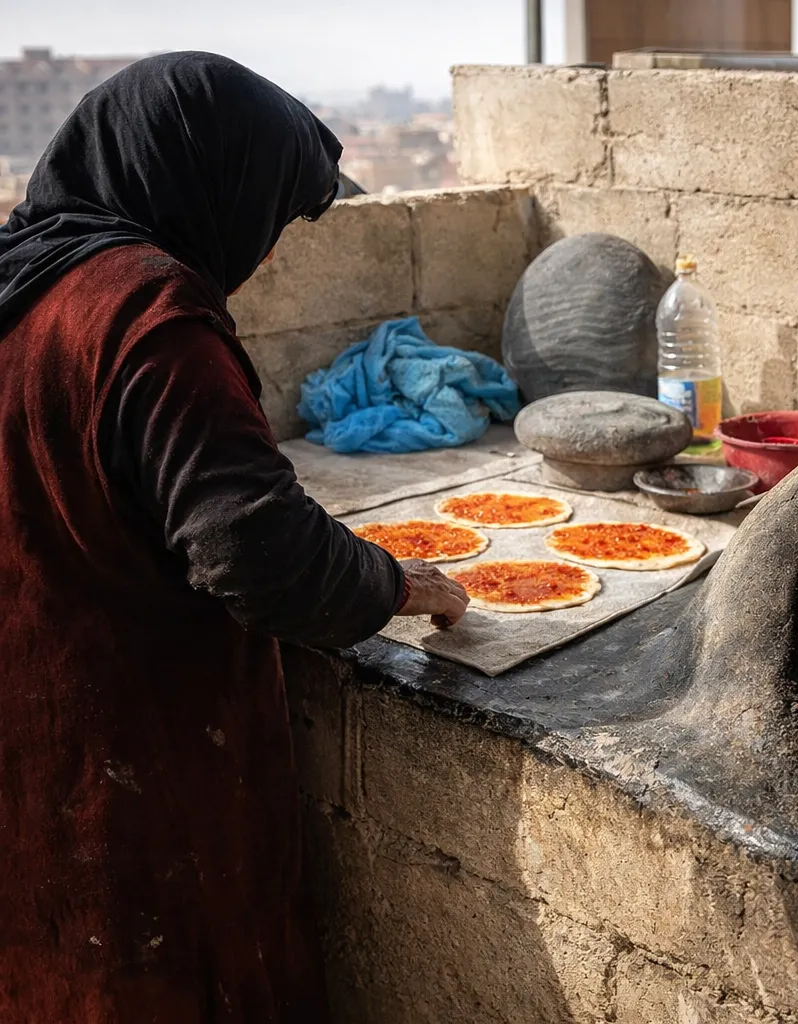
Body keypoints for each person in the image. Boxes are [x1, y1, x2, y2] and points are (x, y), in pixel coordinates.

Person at [0, 53, 469, 1021]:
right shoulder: (145, 310)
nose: (261, 258)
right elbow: (257, 554)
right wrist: (400, 585)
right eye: (269, 220)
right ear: (209, 180)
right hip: (127, 764)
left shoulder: (26, 278)